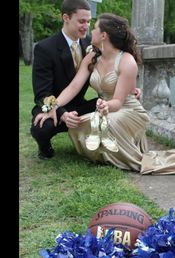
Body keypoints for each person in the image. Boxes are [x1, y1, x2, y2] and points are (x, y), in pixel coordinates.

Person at [44, 13, 175, 175]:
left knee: (102, 124)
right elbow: (73, 87)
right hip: (104, 109)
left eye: (94, 28)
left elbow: (118, 102)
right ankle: (104, 155)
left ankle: (121, 157)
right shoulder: (92, 57)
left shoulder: (127, 61)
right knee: (76, 124)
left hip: (127, 110)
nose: (90, 31)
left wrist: (106, 105)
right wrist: (54, 105)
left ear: (103, 35)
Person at [30, 0, 141, 160]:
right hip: (56, 103)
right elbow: (42, 93)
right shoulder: (45, 48)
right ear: (66, 18)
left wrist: (130, 89)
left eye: (89, 22)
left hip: (81, 105)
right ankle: (45, 149)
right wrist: (58, 111)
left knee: (107, 108)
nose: (87, 26)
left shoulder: (94, 43)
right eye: (82, 21)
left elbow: (116, 66)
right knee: (41, 125)